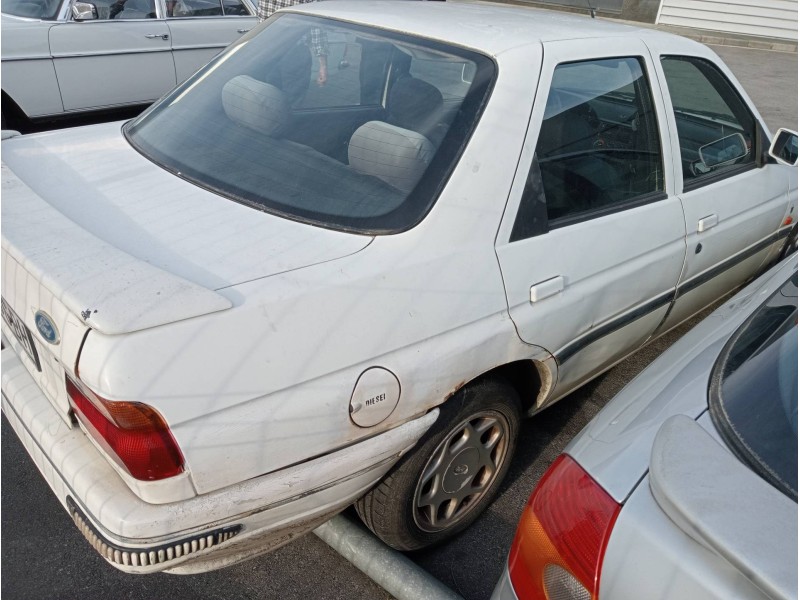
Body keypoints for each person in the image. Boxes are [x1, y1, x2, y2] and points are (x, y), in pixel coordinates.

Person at [258, 0, 328, 88]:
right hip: (294, 53)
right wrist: (323, 65)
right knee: (293, 95)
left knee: (270, 91)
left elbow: (262, 22)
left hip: (267, 49)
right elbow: (317, 26)